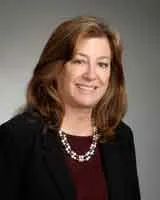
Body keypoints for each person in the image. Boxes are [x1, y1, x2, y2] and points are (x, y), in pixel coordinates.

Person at [0, 16, 141, 200]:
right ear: (55, 68)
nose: (91, 75)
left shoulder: (121, 137)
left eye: (102, 64)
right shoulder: (17, 137)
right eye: (79, 61)